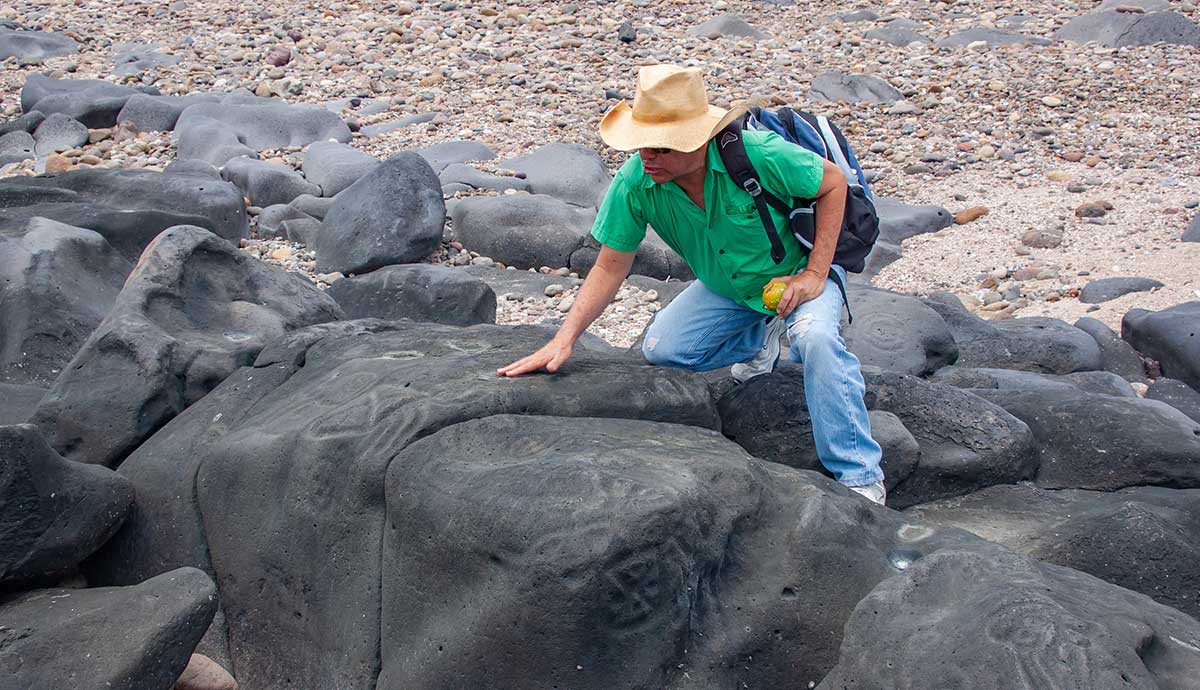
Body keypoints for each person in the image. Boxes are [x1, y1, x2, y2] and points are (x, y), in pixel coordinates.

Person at [497, 65, 885, 505]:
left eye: (662, 147)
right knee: (662, 349)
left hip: (798, 276)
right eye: (642, 144)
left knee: (816, 340)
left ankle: (859, 476)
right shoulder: (637, 181)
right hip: (729, 288)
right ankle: (764, 341)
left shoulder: (758, 154)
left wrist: (815, 273)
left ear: (698, 140)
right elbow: (609, 266)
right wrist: (564, 339)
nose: (648, 157)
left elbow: (832, 183)